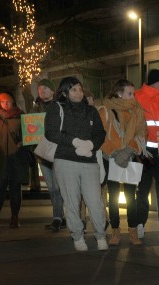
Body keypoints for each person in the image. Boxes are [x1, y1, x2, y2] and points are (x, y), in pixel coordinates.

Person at [45, 77, 107, 251]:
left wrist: (91, 145)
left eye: (80, 89)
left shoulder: (91, 111)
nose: (78, 93)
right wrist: (75, 141)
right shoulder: (56, 108)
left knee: (95, 201)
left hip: (89, 161)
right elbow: (51, 133)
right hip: (65, 160)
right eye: (74, 90)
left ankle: (100, 235)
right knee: (72, 201)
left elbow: (100, 133)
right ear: (65, 92)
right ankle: (78, 236)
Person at [97, 79, 147, 246]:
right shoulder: (105, 110)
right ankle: (115, 232)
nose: (133, 97)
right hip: (110, 159)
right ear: (119, 93)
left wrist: (128, 151)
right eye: (130, 93)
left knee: (131, 197)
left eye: (134, 93)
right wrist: (115, 152)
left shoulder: (136, 110)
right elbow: (100, 136)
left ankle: (132, 232)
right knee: (113, 198)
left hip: (129, 158)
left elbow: (141, 134)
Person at [135, 69, 159, 238]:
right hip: (144, 151)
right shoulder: (137, 97)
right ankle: (142, 223)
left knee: (153, 189)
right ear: (155, 82)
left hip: (156, 151)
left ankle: (147, 224)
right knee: (147, 189)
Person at [32, 79, 64, 231]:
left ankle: (57, 218)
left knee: (58, 187)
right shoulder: (35, 108)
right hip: (41, 153)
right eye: (40, 88)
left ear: (53, 91)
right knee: (51, 188)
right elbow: (29, 130)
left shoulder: (60, 106)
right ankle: (59, 216)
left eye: (46, 88)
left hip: (57, 152)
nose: (42, 90)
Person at [0, 92, 24, 229]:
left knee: (15, 189)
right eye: (1, 101)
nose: (4, 104)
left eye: (7, 101)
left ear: (13, 102)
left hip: (16, 158)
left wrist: (22, 142)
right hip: (0, 160)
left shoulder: (20, 115)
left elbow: (29, 134)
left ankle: (15, 217)